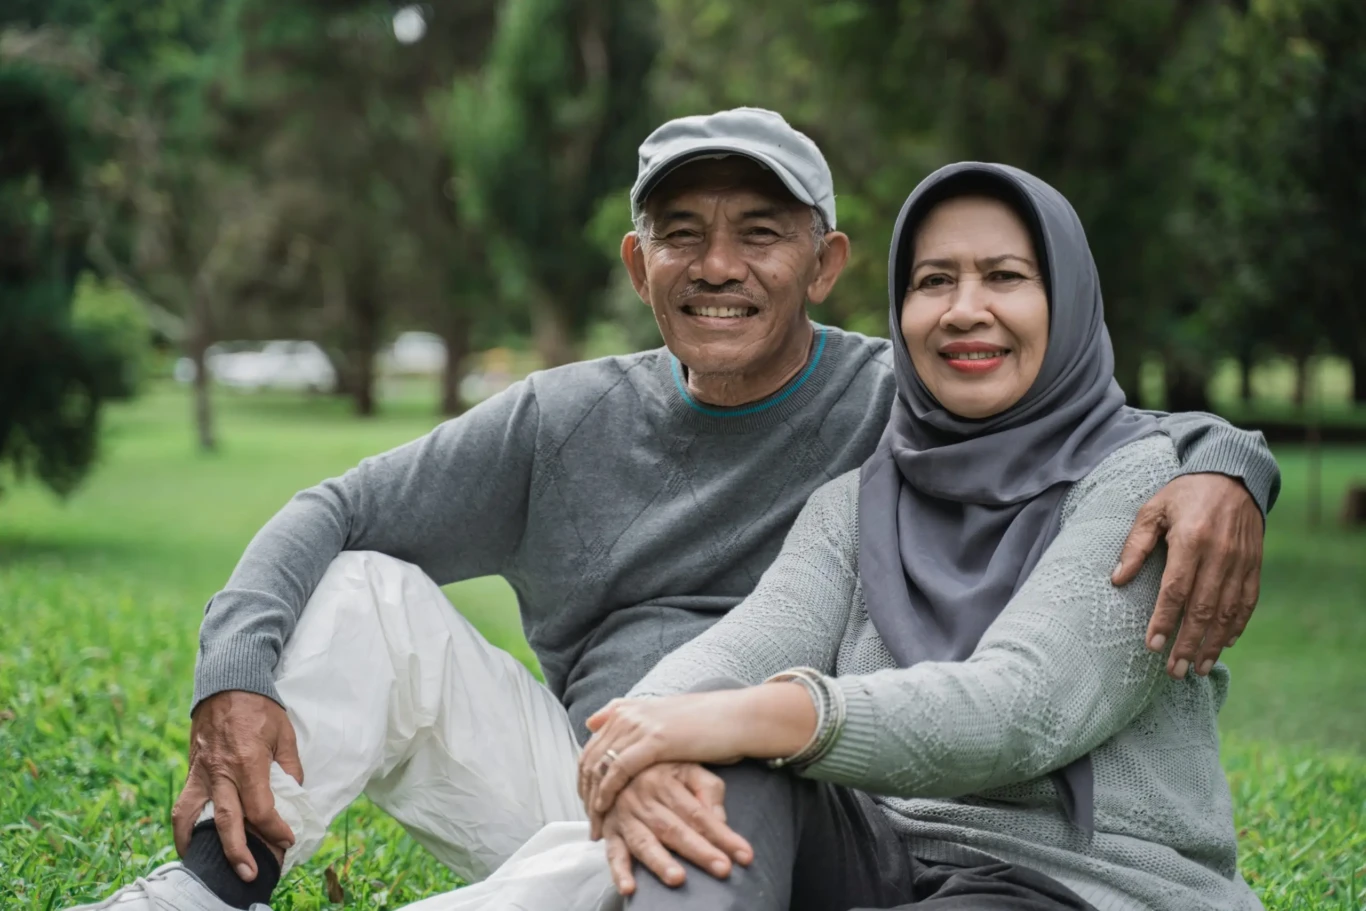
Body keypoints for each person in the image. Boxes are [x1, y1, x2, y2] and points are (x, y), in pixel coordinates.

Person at [68, 110, 1277, 911]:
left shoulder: (904, 406)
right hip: (606, 772)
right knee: (369, 589)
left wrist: (1228, 460)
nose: (718, 266)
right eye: (679, 235)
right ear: (635, 264)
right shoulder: (584, 424)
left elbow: (1081, 466)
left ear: (827, 261)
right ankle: (199, 891)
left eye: (761, 234)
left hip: (804, 797)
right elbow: (331, 504)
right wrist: (235, 670)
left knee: (731, 771)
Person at [578, 163, 1265, 911]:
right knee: (716, 766)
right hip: (883, 861)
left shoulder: (1148, 488)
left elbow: (1021, 709)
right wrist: (643, 735)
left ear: (1065, 299)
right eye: (934, 281)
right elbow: (743, 646)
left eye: (1004, 276)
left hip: (1076, 887)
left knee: (730, 727)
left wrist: (749, 714)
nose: (965, 310)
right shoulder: (861, 501)